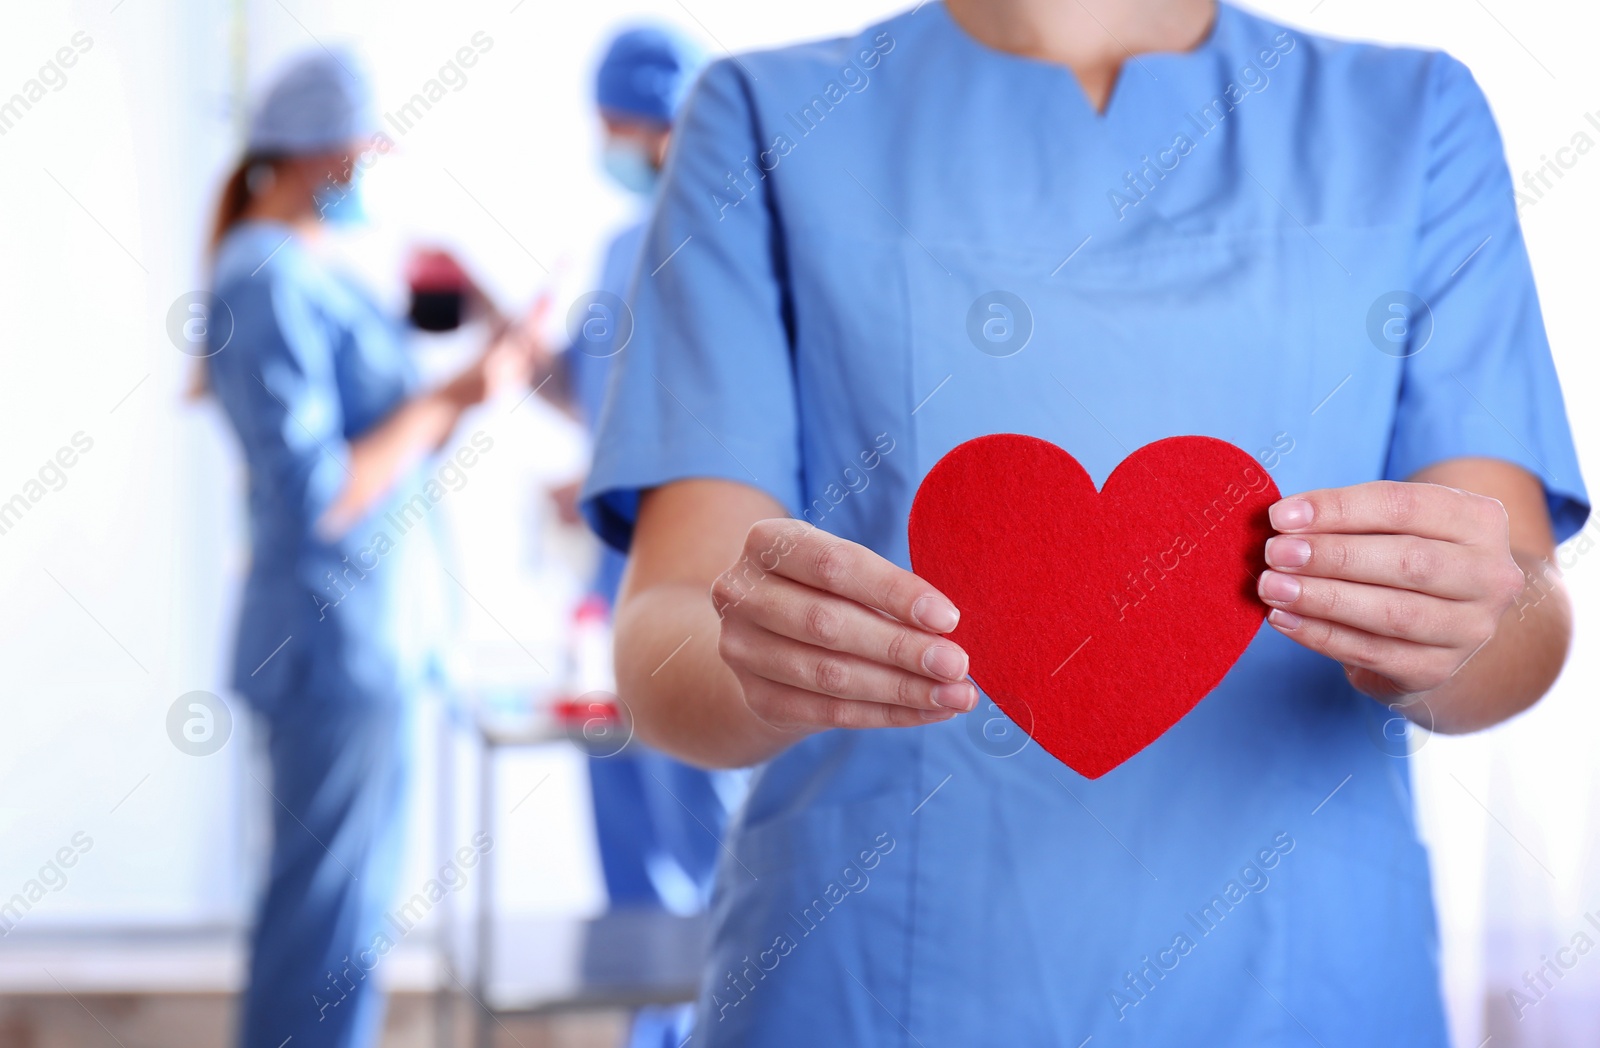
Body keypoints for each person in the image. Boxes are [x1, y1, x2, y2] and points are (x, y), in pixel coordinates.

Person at [581, 1, 1589, 1044]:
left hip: (1310, 977)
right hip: (865, 976)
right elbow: (666, 628)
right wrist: (755, 659)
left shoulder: (1412, 119)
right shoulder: (761, 119)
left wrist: (1464, 623)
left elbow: (1523, 603)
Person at [205, 51, 536, 1048]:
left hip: (364, 641)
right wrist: (447, 398)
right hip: (333, 644)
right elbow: (322, 493)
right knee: (327, 928)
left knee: (336, 919)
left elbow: (378, 449)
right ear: (323, 151)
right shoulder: (264, 277)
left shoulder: (301, 266)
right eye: (367, 146)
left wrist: (464, 353)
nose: (375, 167)